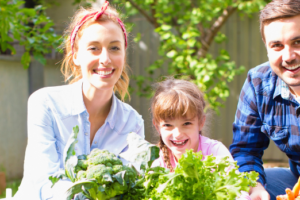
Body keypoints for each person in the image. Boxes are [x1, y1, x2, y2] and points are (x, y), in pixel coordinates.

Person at [13, 2, 144, 200]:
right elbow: (45, 183)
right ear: (75, 55)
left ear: (124, 55)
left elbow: (130, 188)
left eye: (114, 48)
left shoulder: (132, 123)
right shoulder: (46, 104)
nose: (105, 59)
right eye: (94, 48)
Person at [229, 0, 300, 199]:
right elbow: (246, 150)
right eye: (277, 46)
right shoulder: (258, 83)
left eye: (298, 42)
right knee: (236, 190)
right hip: (295, 180)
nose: (289, 56)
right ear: (267, 49)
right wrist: (255, 186)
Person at [150, 78, 251, 200]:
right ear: (157, 127)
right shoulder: (159, 165)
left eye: (186, 123)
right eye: (168, 125)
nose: (177, 134)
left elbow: (239, 191)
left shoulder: (215, 152)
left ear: (201, 122)